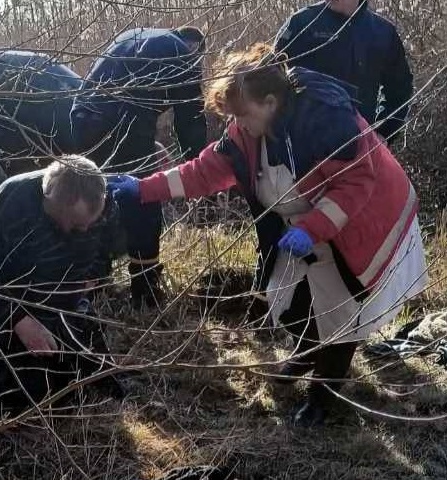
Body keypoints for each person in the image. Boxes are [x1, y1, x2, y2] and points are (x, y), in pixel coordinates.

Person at [109, 43, 428, 426]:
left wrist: (313, 229)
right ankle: (306, 351)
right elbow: (202, 171)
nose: (238, 124)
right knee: (288, 301)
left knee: (341, 315)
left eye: (243, 114)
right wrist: (143, 189)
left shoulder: (324, 120)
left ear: (272, 101)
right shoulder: (247, 132)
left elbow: (357, 182)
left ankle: (323, 398)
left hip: (363, 216)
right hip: (308, 224)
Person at [0, 155, 124, 409]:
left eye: (84, 226)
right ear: (48, 196)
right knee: (27, 399)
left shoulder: (106, 205)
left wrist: (94, 278)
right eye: (67, 221)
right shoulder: (12, 203)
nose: (74, 231)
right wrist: (17, 320)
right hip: (14, 303)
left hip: (67, 304)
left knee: (96, 384)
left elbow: (105, 252)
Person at [70, 26, 208, 307]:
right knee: (143, 194)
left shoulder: (139, 36)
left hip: (81, 118)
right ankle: (145, 286)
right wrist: (199, 168)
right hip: (122, 118)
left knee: (99, 195)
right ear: (194, 48)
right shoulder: (183, 55)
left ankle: (96, 278)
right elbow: (190, 118)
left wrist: (148, 143)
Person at [274, 0, 413, 142]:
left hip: (358, 148)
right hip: (304, 149)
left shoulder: (382, 32)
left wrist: (383, 133)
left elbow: (400, 87)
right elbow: (269, 79)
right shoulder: (301, 24)